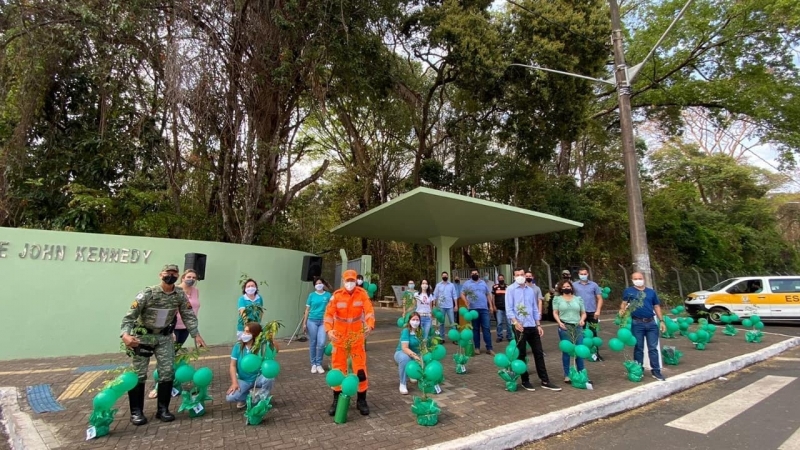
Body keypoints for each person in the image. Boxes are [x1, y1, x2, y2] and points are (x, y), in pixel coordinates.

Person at [121, 264, 206, 425]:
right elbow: (129, 316)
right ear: (161, 274)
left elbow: (188, 315)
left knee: (167, 372)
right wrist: (125, 335)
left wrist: (196, 334)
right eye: (168, 272)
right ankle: (136, 412)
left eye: (174, 273)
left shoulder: (179, 294)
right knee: (139, 374)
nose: (171, 275)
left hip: (164, 338)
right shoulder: (148, 293)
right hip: (143, 337)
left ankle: (163, 410)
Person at [324, 269, 375, 416]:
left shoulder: (362, 294)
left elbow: (369, 310)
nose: (351, 283)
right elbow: (328, 314)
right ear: (343, 281)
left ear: (356, 280)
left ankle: (361, 400)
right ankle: (337, 399)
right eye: (348, 280)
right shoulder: (337, 296)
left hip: (356, 338)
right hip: (339, 338)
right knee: (338, 368)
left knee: (360, 369)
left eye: (353, 280)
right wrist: (329, 330)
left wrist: (370, 325)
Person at [149, 268, 201, 399]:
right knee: (165, 355)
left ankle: (170, 382)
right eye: (189, 276)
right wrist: (169, 330)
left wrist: (194, 330)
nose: (191, 279)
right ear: (183, 277)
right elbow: (166, 310)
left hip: (185, 328)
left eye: (194, 278)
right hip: (173, 328)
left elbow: (191, 311)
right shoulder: (176, 290)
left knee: (174, 354)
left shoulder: (195, 291)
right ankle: (158, 386)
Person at [506, 268, 560, 392]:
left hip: (532, 325)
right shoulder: (510, 290)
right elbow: (509, 309)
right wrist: (515, 323)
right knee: (522, 353)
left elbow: (534, 308)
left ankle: (545, 380)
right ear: (514, 277)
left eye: (522, 274)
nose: (520, 276)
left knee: (539, 353)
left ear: (526, 275)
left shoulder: (530, 290)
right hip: (519, 326)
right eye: (517, 275)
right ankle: (525, 380)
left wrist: (539, 325)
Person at [620, 272, 667, 381]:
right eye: (635, 278)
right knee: (638, 348)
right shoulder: (628, 291)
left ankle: (656, 371)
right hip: (637, 323)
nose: (638, 280)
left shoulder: (651, 292)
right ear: (632, 280)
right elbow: (623, 303)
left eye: (640, 278)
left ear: (644, 279)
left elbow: (656, 306)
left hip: (651, 323)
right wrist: (622, 310)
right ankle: (638, 370)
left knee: (653, 348)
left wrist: (662, 321)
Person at [226, 322, 276, 408]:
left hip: (258, 378)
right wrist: (234, 383)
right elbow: (232, 365)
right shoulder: (238, 346)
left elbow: (276, 349)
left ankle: (263, 397)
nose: (244, 334)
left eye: (247, 332)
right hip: (244, 379)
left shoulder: (261, 346)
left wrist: (270, 340)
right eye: (244, 331)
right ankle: (250, 397)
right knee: (230, 397)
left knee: (269, 378)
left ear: (255, 334)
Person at [553, 280, 587, 383]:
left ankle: (581, 373)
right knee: (567, 351)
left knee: (579, 350)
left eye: (568, 286)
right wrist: (559, 322)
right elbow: (555, 312)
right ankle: (567, 375)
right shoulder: (557, 299)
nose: (566, 288)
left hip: (577, 327)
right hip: (565, 327)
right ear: (561, 288)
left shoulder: (578, 299)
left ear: (571, 287)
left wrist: (582, 320)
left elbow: (583, 313)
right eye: (564, 286)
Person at [460, 269, 495, 355]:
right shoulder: (467, 283)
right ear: (470, 275)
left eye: (476, 273)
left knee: (486, 328)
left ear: (478, 274)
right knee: (475, 329)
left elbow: (488, 294)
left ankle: (489, 348)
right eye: (472, 273)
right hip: (473, 310)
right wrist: (465, 301)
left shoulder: (483, 283)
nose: (474, 274)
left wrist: (490, 305)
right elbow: (462, 294)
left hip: (484, 309)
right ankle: (477, 348)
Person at [572, 268, 604, 361]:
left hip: (592, 312)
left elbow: (600, 298)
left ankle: (595, 354)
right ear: (578, 274)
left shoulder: (594, 285)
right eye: (581, 274)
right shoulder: (574, 285)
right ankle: (581, 354)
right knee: (579, 333)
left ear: (588, 274)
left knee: (594, 333)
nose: (583, 275)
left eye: (585, 273)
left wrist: (598, 311)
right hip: (579, 313)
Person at [303, 279, 332, 374]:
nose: (318, 285)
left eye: (320, 283)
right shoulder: (311, 295)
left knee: (321, 342)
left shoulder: (328, 295)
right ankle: (313, 364)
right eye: (316, 283)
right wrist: (304, 323)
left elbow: (332, 309)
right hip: (312, 321)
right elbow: (307, 310)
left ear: (323, 284)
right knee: (313, 342)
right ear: (314, 285)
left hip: (324, 321)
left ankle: (319, 363)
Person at [394, 312, 423, 395]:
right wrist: (415, 356)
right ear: (409, 321)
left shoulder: (420, 331)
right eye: (413, 319)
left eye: (417, 320)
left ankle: (413, 374)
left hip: (415, 353)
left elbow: (422, 346)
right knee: (405, 359)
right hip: (402, 352)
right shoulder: (406, 331)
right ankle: (402, 383)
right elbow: (404, 348)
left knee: (426, 358)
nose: (415, 322)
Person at [433, 271, 457, 343]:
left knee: (452, 322)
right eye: (443, 275)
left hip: (450, 306)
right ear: (441, 277)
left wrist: (456, 305)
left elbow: (454, 295)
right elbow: (435, 295)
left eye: (446, 275)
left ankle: (455, 338)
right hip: (441, 307)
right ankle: (442, 338)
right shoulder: (438, 285)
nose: (445, 277)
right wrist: (434, 305)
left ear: (448, 276)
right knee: (441, 323)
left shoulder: (451, 285)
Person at [492, 275, 512, 342]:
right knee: (499, 323)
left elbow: (511, 297)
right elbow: (493, 297)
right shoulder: (495, 287)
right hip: (499, 308)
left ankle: (509, 336)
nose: (501, 279)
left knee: (509, 323)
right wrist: (493, 306)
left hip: (507, 308)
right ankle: (499, 336)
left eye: (502, 278)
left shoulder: (508, 287)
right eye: (499, 278)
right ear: (498, 279)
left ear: (504, 278)